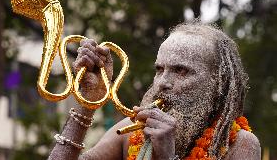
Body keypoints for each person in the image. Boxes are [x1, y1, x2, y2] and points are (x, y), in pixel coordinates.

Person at [48, 22, 261, 160]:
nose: (162, 83)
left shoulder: (239, 144)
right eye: (159, 69)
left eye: (181, 70)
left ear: (218, 83)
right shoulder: (131, 131)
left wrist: (167, 156)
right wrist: (88, 102)